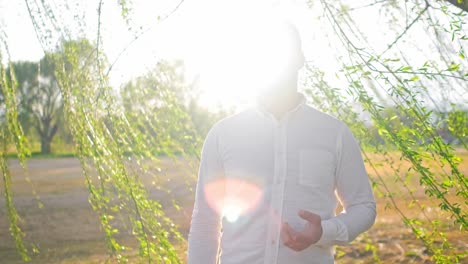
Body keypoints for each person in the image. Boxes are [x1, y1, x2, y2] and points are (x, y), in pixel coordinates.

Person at [187, 19, 376, 264]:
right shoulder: (223, 134)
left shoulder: (334, 133)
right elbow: (205, 222)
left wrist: (324, 232)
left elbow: (363, 207)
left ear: (300, 59)